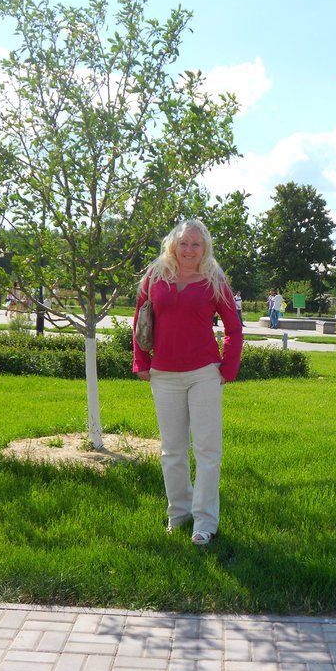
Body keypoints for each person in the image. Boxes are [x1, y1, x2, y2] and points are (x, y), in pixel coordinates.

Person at [133, 219, 243, 546]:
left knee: (207, 450)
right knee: (172, 451)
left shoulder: (214, 280)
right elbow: (140, 320)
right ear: (173, 244)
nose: (189, 250)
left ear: (204, 248)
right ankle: (179, 514)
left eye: (196, 244)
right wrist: (141, 361)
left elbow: (234, 328)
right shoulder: (155, 277)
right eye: (184, 243)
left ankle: (204, 522)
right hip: (164, 375)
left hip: (204, 373)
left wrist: (228, 367)